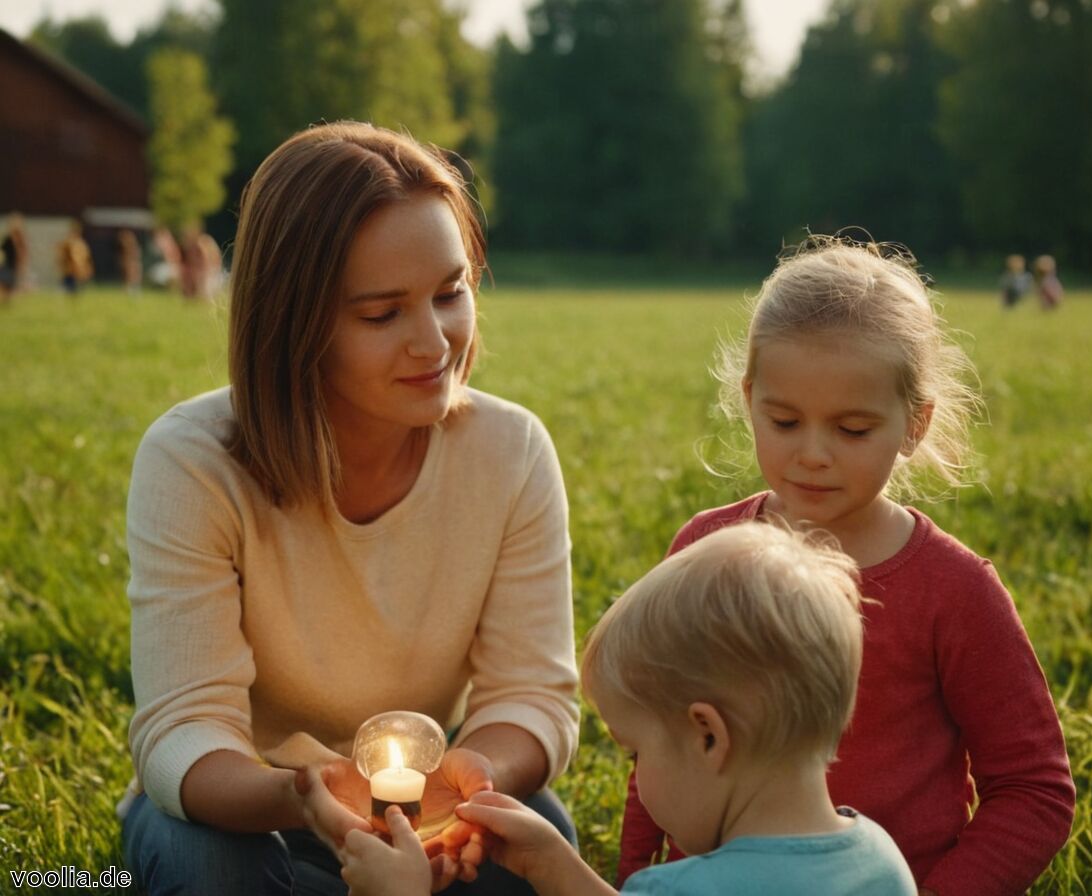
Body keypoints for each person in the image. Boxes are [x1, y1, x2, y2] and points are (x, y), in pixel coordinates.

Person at [120, 120, 580, 896]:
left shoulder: (511, 452)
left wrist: (470, 784)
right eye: (381, 314)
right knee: (210, 866)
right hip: (249, 809)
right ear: (294, 324)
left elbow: (532, 695)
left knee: (539, 840)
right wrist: (304, 799)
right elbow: (183, 728)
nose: (435, 343)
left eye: (450, 292)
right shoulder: (192, 463)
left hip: (423, 812)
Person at [616, 236, 1076, 895]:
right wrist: (632, 876)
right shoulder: (705, 550)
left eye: (852, 430)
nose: (813, 454)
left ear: (915, 423)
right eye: (783, 420)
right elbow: (658, 747)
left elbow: (1034, 789)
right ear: (749, 398)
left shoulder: (954, 591)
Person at [340, 522, 919, 896]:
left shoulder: (680, 888)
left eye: (636, 752)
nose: (637, 775)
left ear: (708, 737)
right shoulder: (882, 863)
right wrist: (558, 870)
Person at [57, 218, 93, 295]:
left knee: (77, 291)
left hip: (78, 272)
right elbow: (62, 256)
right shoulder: (67, 243)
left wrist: (86, 269)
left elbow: (85, 258)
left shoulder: (81, 244)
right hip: (70, 271)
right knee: (69, 290)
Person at [1, 211, 29, 304]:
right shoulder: (8, 238)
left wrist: (22, 264)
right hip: (7, 265)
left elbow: (23, 253)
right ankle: (5, 301)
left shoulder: (21, 238)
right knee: (5, 283)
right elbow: (2, 250)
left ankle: (7, 301)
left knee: (11, 285)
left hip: (14, 265)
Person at [117, 229, 143, 295]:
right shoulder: (128, 248)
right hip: (130, 262)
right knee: (129, 276)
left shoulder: (133, 247)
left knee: (133, 276)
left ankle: (133, 290)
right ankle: (129, 290)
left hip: (132, 262)